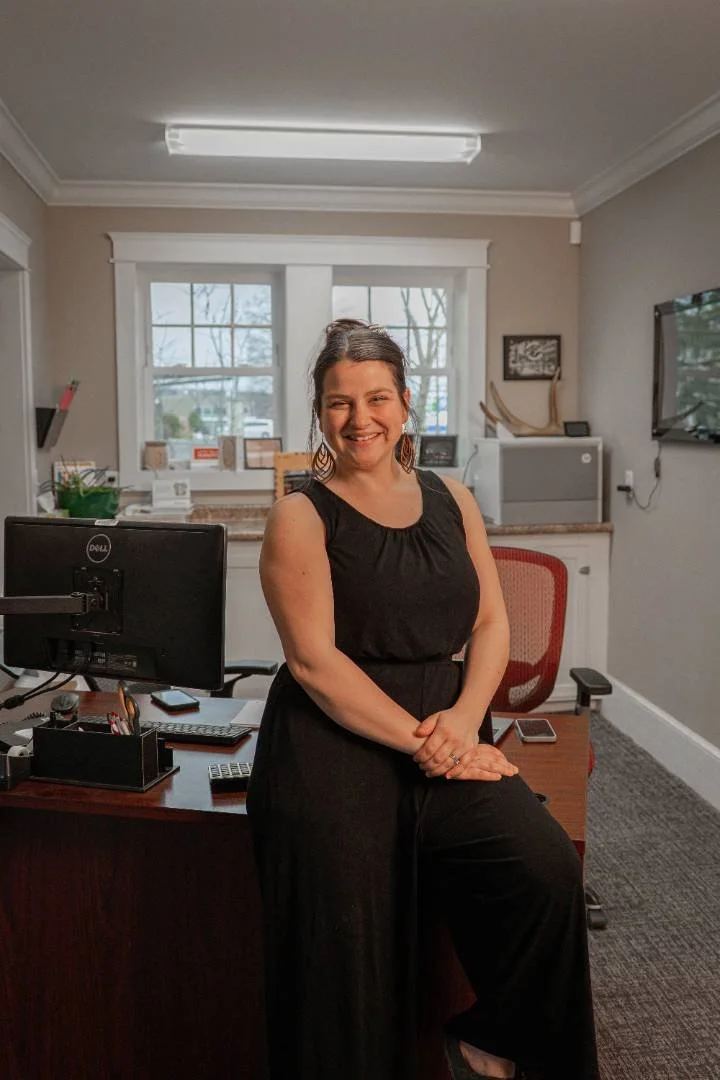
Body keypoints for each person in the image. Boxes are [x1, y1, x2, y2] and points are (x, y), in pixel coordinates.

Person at [247, 318, 599, 1080]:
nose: (359, 418)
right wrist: (426, 742)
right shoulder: (299, 516)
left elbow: (492, 621)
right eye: (339, 403)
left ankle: (494, 1037)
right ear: (320, 413)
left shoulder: (453, 498)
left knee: (545, 870)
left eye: (377, 398)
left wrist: (467, 722)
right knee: (347, 951)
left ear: (406, 404)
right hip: (333, 740)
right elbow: (313, 664)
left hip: (451, 719)